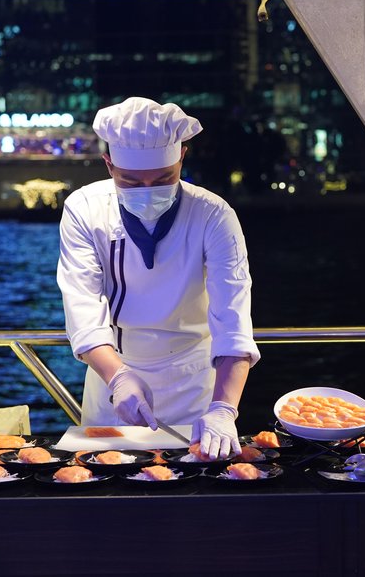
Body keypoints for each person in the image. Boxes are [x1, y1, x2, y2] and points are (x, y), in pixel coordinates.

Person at [57, 97, 260, 459]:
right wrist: (118, 377)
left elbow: (233, 319)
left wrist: (223, 410)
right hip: (112, 377)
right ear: (109, 165)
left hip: (194, 384)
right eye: (132, 182)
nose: (148, 190)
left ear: (182, 157)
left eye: (164, 178)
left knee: (195, 495)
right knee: (107, 490)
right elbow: (83, 308)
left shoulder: (213, 215)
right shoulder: (84, 208)